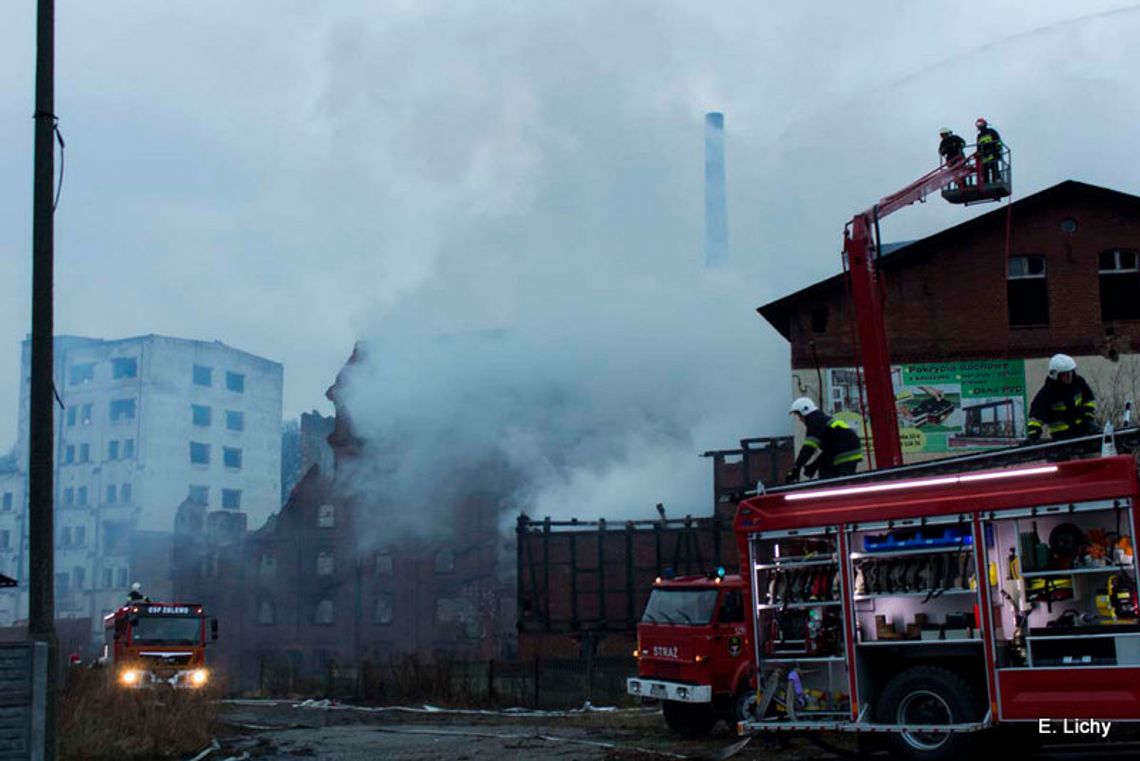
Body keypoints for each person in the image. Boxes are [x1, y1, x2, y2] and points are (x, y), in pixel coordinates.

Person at [786, 397, 863, 482]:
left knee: (830, 481)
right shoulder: (820, 418)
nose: (800, 419)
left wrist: (797, 467)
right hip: (847, 449)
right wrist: (814, 465)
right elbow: (829, 450)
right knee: (827, 474)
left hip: (845, 453)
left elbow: (808, 448)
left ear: (804, 411)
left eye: (799, 415)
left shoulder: (815, 421)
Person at [1026, 354, 1098, 442]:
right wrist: (1034, 433)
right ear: (1055, 375)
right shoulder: (1047, 394)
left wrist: (1088, 419)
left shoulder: (1079, 383)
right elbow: (1036, 417)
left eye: (1070, 373)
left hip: (1084, 430)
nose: (1069, 378)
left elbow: (1089, 400)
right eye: (1065, 375)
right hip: (1062, 437)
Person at [975, 118, 1003, 184]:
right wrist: (978, 153)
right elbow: (978, 146)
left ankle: (996, 179)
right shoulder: (979, 136)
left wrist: (998, 147)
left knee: (994, 166)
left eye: (980, 123)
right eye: (978, 124)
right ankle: (985, 182)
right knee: (985, 169)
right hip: (984, 155)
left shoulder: (991, 131)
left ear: (984, 124)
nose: (979, 125)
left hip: (993, 152)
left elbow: (998, 140)